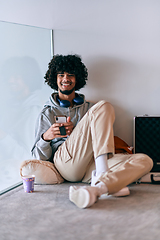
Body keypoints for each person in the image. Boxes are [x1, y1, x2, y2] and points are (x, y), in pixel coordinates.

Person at [31, 54, 153, 209]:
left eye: (71, 75)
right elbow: (36, 157)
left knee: (145, 160)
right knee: (104, 105)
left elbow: (102, 139)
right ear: (54, 79)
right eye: (61, 75)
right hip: (66, 164)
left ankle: (99, 188)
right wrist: (46, 137)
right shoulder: (46, 113)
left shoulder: (90, 109)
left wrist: (80, 133)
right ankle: (103, 174)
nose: (65, 79)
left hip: (91, 164)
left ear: (78, 78)